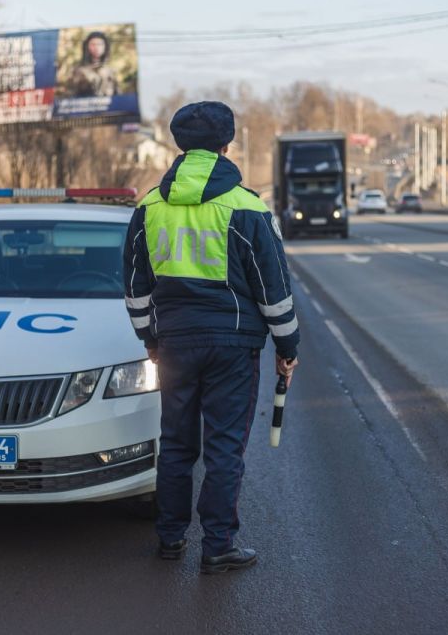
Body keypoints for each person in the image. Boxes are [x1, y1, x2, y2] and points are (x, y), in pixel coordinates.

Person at [123, 101, 300, 574]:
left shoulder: (149, 206)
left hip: (175, 344)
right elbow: (273, 290)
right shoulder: (246, 207)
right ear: (227, 145)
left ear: (179, 145)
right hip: (234, 348)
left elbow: (136, 286)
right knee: (225, 448)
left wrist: (150, 340)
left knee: (176, 444)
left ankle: (170, 539)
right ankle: (218, 546)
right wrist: (288, 347)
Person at [70, 31, 118, 97]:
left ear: (105, 47)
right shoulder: (79, 70)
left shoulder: (111, 70)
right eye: (93, 44)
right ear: (87, 47)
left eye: (100, 44)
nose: (96, 47)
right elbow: (73, 94)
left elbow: (117, 95)